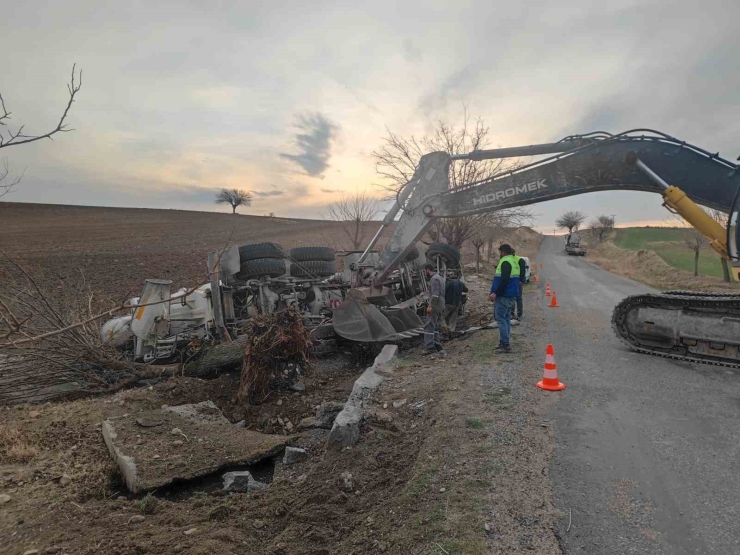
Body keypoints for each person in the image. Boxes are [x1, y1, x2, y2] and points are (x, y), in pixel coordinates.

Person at [489, 244, 520, 353]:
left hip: (503, 296)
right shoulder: (514, 261)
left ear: (502, 252)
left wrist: (495, 293)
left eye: (500, 252)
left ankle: (505, 345)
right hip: (511, 295)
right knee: (506, 319)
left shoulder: (505, 262)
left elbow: (504, 280)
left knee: (501, 319)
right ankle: (504, 342)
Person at [423, 263, 446, 355]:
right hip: (441, 304)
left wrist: (430, 306)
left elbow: (435, 295)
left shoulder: (434, 279)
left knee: (428, 326)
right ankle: (438, 346)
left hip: (435, 305)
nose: (425, 273)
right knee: (435, 326)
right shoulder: (440, 277)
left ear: (427, 270)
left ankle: (430, 347)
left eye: (425, 271)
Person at [511, 249, 527, 321]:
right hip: (511, 282)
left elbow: (522, 271)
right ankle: (511, 313)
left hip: (518, 282)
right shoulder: (508, 259)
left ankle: (519, 314)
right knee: (511, 297)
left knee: (518, 298)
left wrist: (520, 281)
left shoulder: (519, 260)